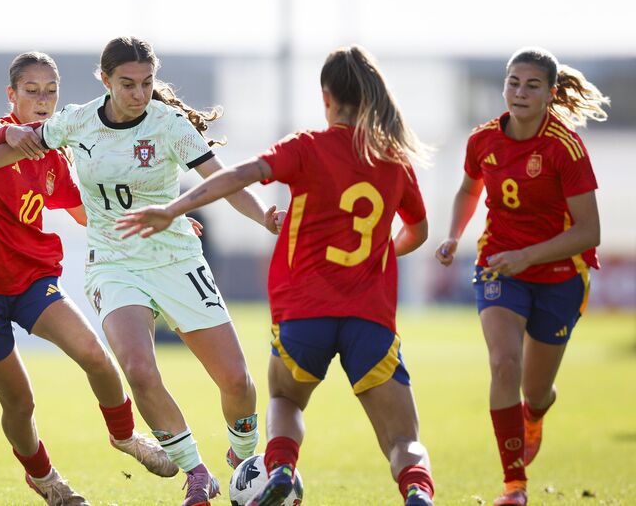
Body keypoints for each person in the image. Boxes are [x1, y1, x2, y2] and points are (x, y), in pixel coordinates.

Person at [0, 36, 282, 506]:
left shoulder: (153, 129)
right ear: (105, 81)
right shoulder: (47, 127)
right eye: (127, 84)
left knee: (212, 377)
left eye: (146, 83)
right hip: (45, 278)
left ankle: (208, 455)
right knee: (82, 385)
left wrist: (233, 217)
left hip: (115, 267)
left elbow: (214, 182)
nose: (138, 93)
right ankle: (156, 475)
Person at [117, 44, 437, 506]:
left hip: (304, 312)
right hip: (371, 316)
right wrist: (382, 254)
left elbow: (239, 175)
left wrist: (174, 208)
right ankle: (417, 492)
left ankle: (282, 467)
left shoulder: (306, 147)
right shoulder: (392, 158)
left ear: (326, 96)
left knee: (286, 402)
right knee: (403, 438)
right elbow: (418, 231)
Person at [0, 51, 181, 505]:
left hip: (31, 281)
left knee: (95, 354)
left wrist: (160, 222)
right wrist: (8, 132)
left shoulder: (53, 156)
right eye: (32, 91)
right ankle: (46, 479)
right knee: (20, 404)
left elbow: (89, 213)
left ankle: (127, 438)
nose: (43, 100)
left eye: (51, 91)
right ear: (12, 95)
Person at [435, 47, 607, 506]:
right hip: (499, 266)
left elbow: (590, 232)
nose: (520, 92)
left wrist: (528, 255)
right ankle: (514, 486)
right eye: (513, 82)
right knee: (503, 363)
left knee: (535, 388)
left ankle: (535, 411)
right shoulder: (483, 140)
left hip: (559, 276)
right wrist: (454, 236)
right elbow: (469, 189)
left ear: (551, 94)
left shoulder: (565, 147)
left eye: (532, 85)